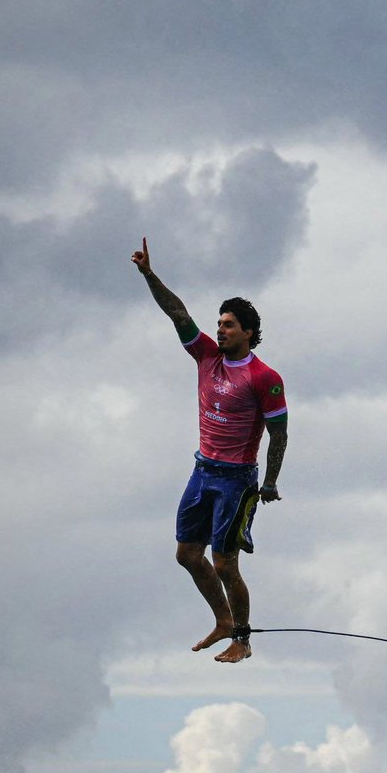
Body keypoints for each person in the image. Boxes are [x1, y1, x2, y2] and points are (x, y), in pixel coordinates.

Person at [131, 236, 288, 664]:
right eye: (219, 323)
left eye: (229, 325)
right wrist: (149, 275)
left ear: (248, 333)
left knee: (224, 563)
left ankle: (242, 639)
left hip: (237, 480)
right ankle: (222, 620)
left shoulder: (264, 377)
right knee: (187, 555)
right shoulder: (206, 356)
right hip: (202, 471)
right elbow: (178, 313)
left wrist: (270, 482)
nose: (220, 329)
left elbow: (279, 434)